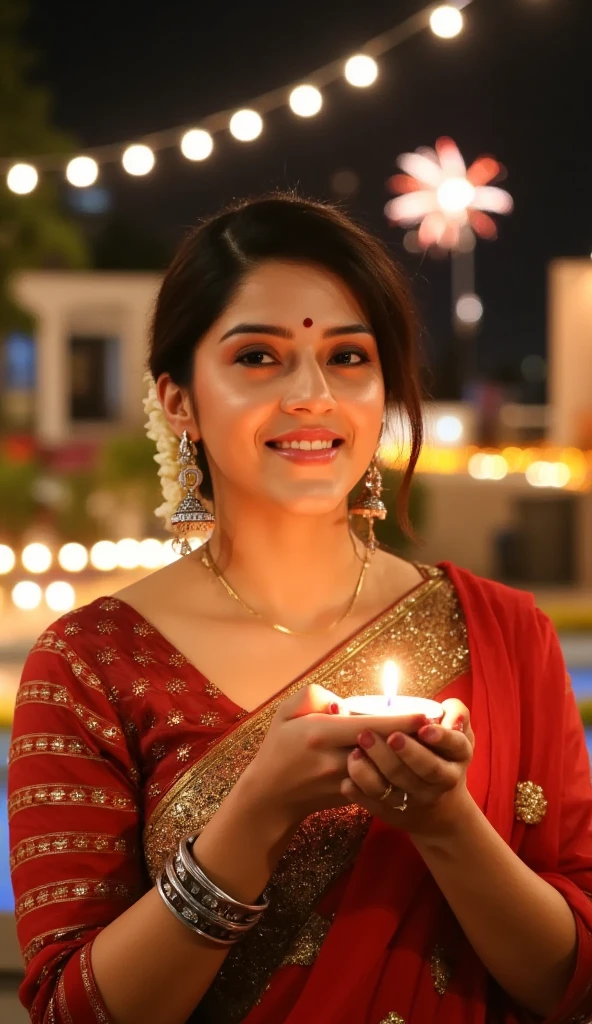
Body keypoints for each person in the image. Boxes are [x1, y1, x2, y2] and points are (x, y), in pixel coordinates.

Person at [8, 194, 592, 1024]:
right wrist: (257, 812)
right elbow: (73, 1011)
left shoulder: (505, 635)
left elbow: (571, 983)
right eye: (258, 358)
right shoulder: (89, 665)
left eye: (349, 357)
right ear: (179, 402)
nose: (313, 394)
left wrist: (445, 825)